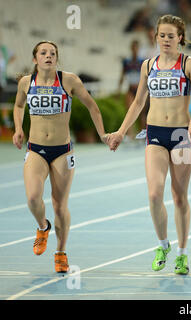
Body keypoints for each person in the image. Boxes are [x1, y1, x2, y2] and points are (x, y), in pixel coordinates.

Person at [108, 15, 191, 275]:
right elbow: (138, 103)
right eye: (161, 35)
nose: (165, 40)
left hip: (180, 135)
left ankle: (183, 254)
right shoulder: (148, 65)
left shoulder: (189, 63)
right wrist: (120, 132)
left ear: (180, 38)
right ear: (155, 37)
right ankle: (163, 244)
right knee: (154, 194)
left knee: (179, 196)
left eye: (171, 36)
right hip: (154, 134)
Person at [12, 41, 108, 273]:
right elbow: (18, 105)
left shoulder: (69, 80)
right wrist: (18, 128)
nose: (48, 56)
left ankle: (60, 252)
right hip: (36, 149)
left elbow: (92, 106)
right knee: (33, 198)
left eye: (53, 53)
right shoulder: (27, 82)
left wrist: (103, 134)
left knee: (59, 205)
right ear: (35, 59)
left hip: (62, 151)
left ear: (57, 58)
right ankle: (42, 227)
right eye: (43, 53)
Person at [117, 39, 146, 138]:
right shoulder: (126, 62)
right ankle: (130, 136)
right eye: (133, 48)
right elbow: (122, 75)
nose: (135, 50)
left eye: (136, 48)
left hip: (140, 90)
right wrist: (119, 90)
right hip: (130, 89)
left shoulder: (143, 61)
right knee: (129, 112)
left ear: (139, 49)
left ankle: (143, 135)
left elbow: (147, 77)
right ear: (131, 48)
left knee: (142, 113)